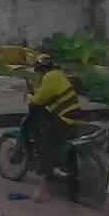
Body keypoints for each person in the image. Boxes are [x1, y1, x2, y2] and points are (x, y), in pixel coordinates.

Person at [24, 53, 82, 201]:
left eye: (39, 70)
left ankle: (42, 191)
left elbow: (38, 100)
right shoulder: (57, 75)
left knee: (46, 147)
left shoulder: (50, 77)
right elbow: (46, 94)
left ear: (41, 69)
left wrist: (30, 97)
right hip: (72, 116)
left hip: (65, 119)